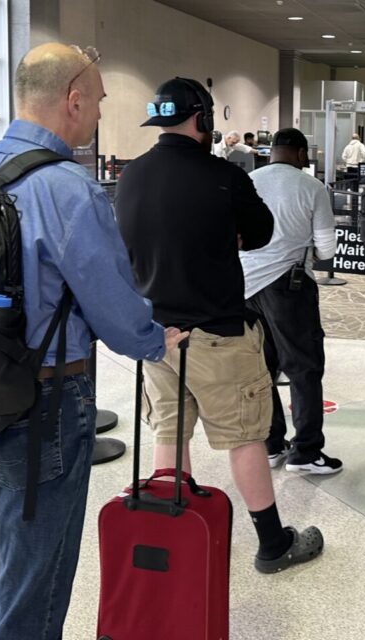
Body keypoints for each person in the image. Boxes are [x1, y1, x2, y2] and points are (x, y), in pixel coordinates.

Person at [0, 43, 187, 640]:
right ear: (72, 101)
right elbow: (113, 310)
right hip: (42, 403)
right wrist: (157, 341)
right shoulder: (67, 188)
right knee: (37, 579)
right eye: (99, 102)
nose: (99, 114)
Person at [115, 77, 324, 572]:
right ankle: (273, 543)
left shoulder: (131, 176)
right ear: (203, 119)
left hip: (158, 336)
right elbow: (259, 235)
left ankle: (174, 534)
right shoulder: (224, 176)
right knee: (245, 437)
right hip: (220, 333)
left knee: (171, 431)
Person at [241, 128, 342, 475]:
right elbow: (327, 249)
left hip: (246, 288)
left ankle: (271, 445)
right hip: (290, 287)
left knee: (261, 369)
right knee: (303, 368)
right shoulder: (311, 187)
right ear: (300, 154)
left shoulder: (248, 180)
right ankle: (306, 452)